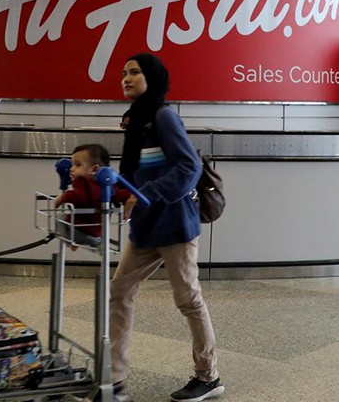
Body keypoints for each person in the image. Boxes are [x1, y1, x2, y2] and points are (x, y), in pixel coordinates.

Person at [110, 53, 223, 402]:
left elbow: (188, 167)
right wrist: (115, 191)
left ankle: (209, 377)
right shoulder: (135, 121)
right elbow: (133, 174)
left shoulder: (163, 116)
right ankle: (113, 378)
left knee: (188, 300)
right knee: (119, 292)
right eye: (124, 73)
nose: (126, 78)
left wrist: (145, 195)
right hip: (145, 228)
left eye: (135, 72)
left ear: (153, 77)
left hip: (175, 226)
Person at [53, 143, 130, 250]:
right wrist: (132, 198)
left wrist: (62, 198)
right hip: (98, 231)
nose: (72, 169)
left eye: (77, 165)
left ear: (94, 169)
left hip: (77, 229)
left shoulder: (83, 182)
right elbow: (121, 195)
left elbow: (79, 196)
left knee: (60, 218)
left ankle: (71, 242)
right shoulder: (109, 185)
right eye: (72, 165)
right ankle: (92, 242)